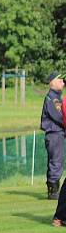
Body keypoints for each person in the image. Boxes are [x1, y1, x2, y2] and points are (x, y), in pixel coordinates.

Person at [41, 72, 65, 200]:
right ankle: (53, 191)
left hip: (58, 133)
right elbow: (59, 117)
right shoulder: (52, 99)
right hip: (54, 133)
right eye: (60, 80)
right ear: (52, 82)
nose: (63, 82)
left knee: (56, 161)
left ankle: (54, 189)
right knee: (56, 161)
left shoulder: (58, 98)